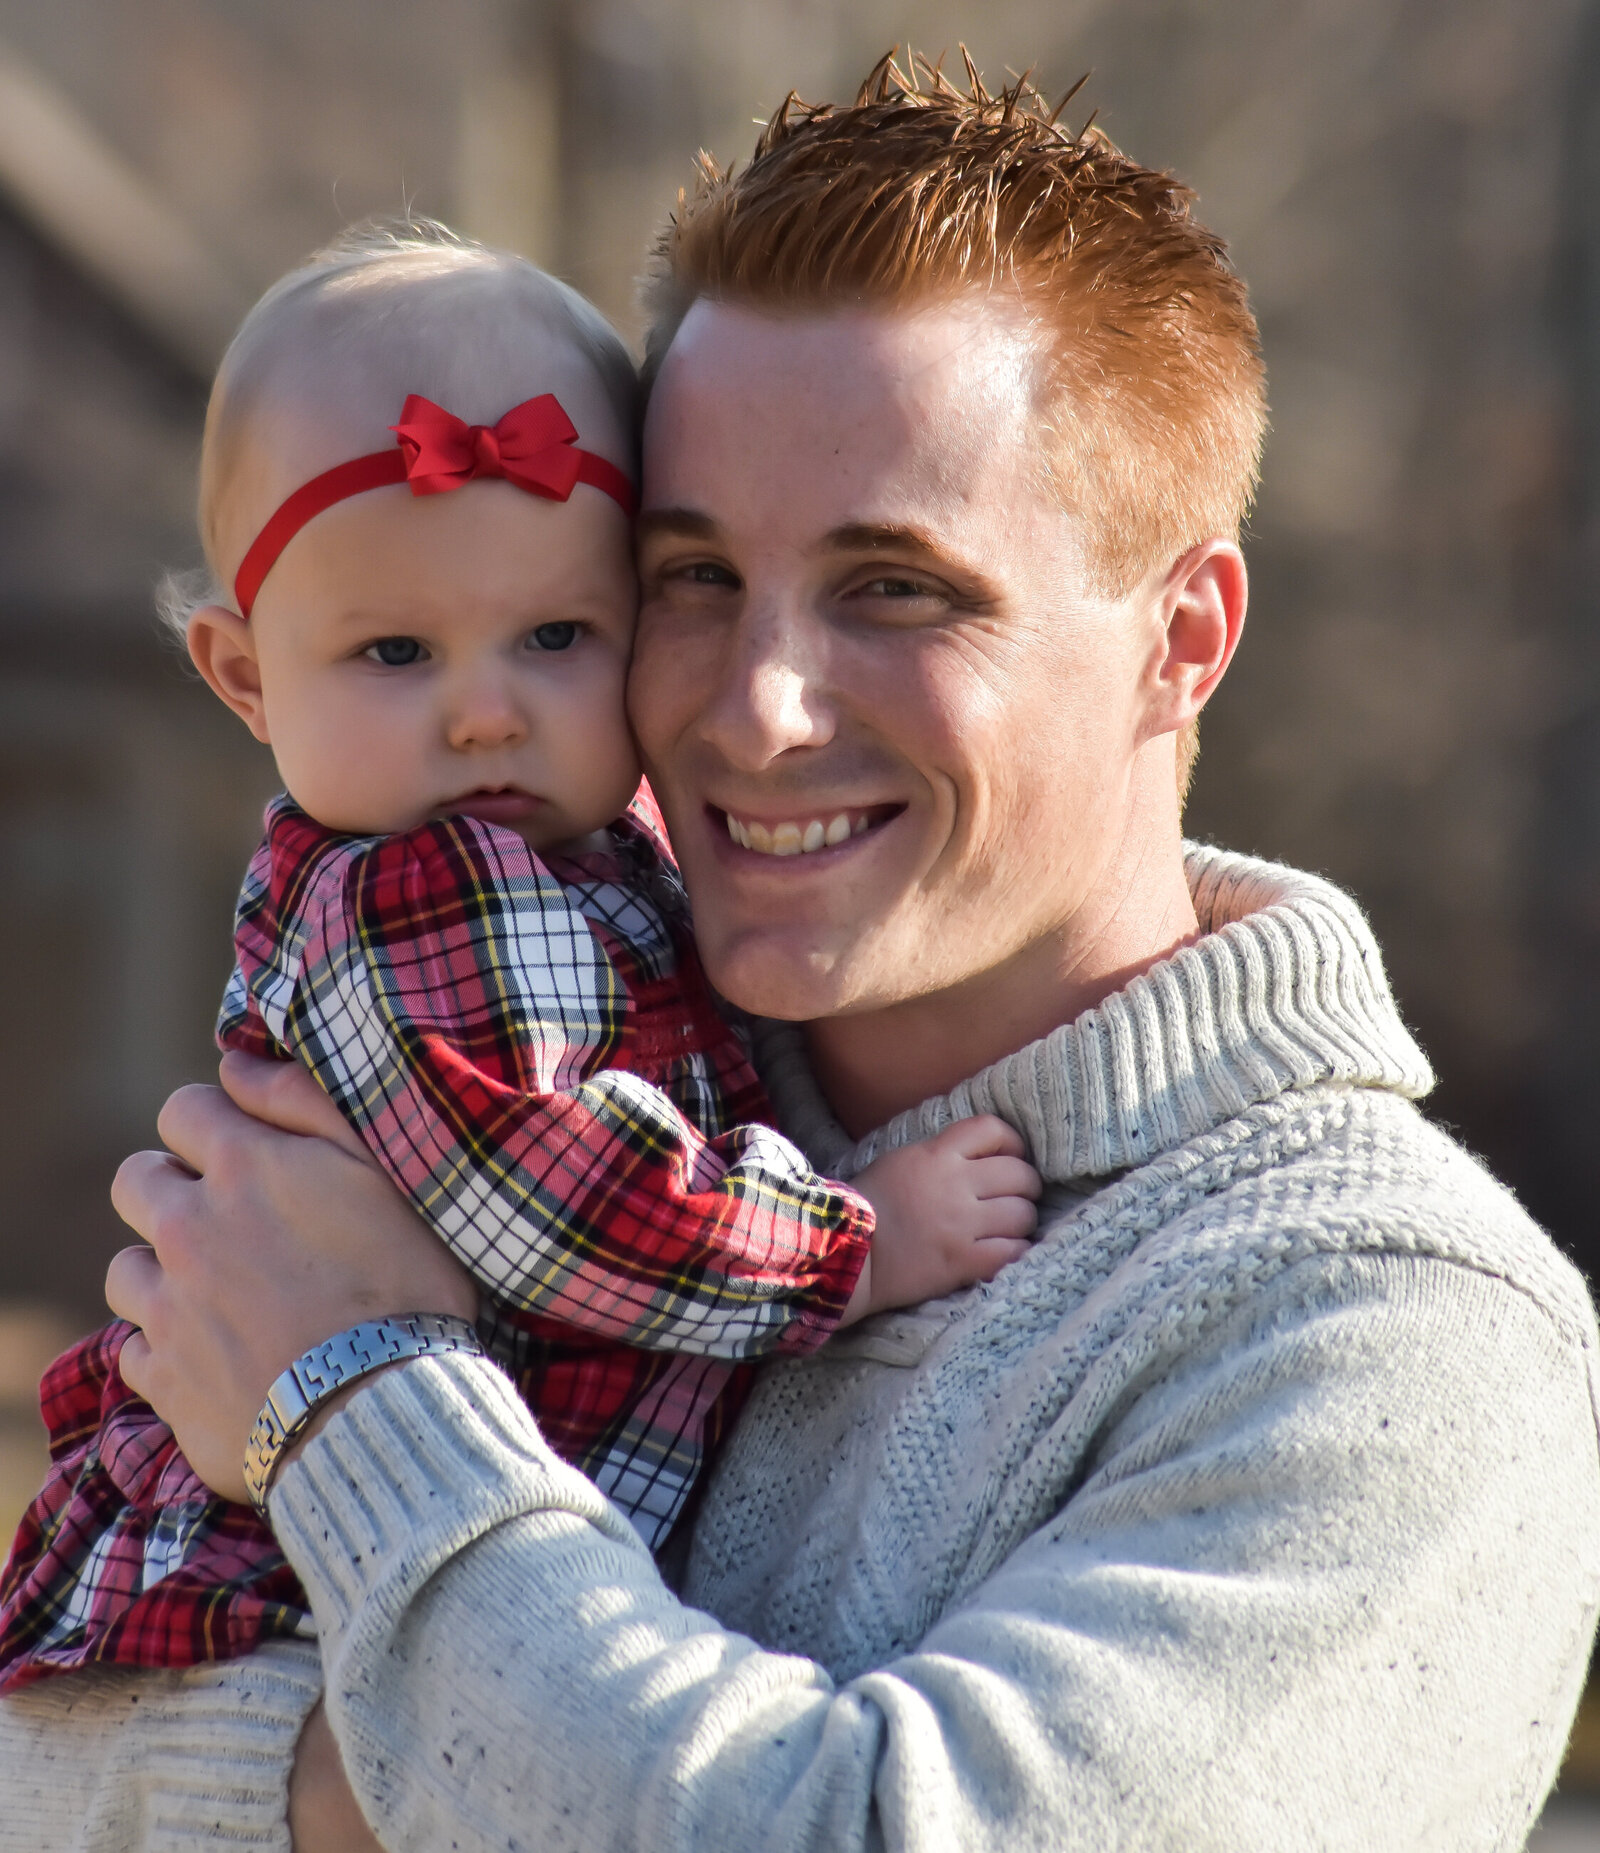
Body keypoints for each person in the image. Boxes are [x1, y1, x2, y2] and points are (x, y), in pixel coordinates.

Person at [6, 53, 1599, 1852]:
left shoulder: (1390, 1331)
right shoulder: (566, 1061)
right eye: (690, 579)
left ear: (1185, 637)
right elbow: (39, 1765)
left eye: (894, 587)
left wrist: (356, 1405)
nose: (754, 715)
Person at [0, 223, 1038, 1694]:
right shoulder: (415, 896)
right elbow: (562, 1202)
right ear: (243, 676)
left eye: (555, 635)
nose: (485, 712)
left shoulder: (591, 852)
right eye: (396, 654)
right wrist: (856, 1245)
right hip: (323, 1574)